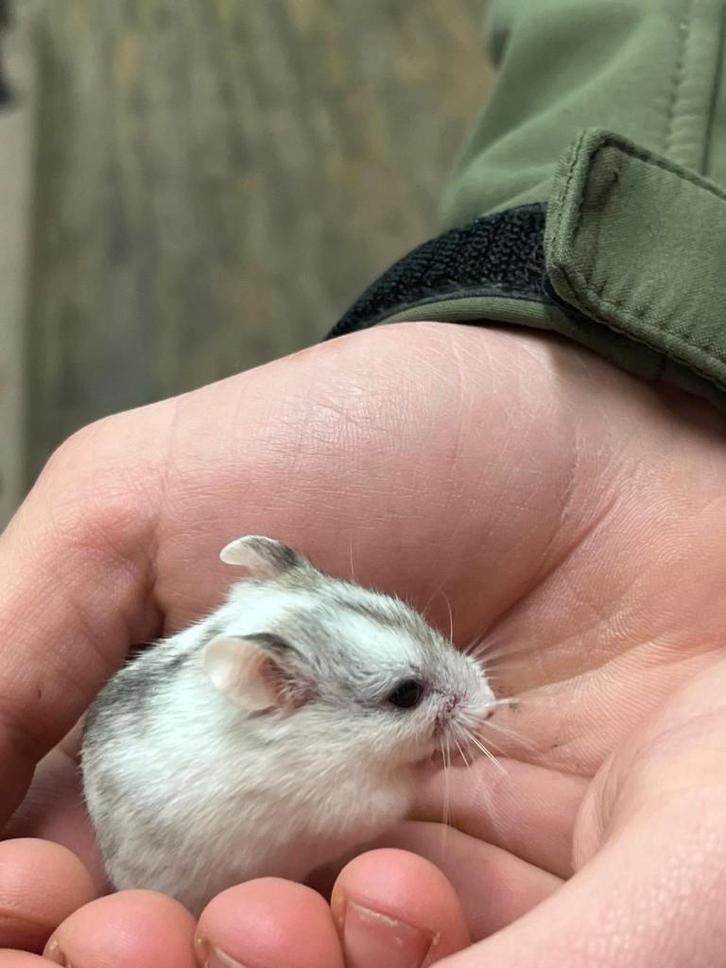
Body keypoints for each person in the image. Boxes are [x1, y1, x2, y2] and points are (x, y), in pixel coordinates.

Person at [2, 0, 726, 965]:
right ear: (271, 691)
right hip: (170, 853)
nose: (469, 691)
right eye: (401, 693)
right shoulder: (267, 707)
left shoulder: (290, 663)